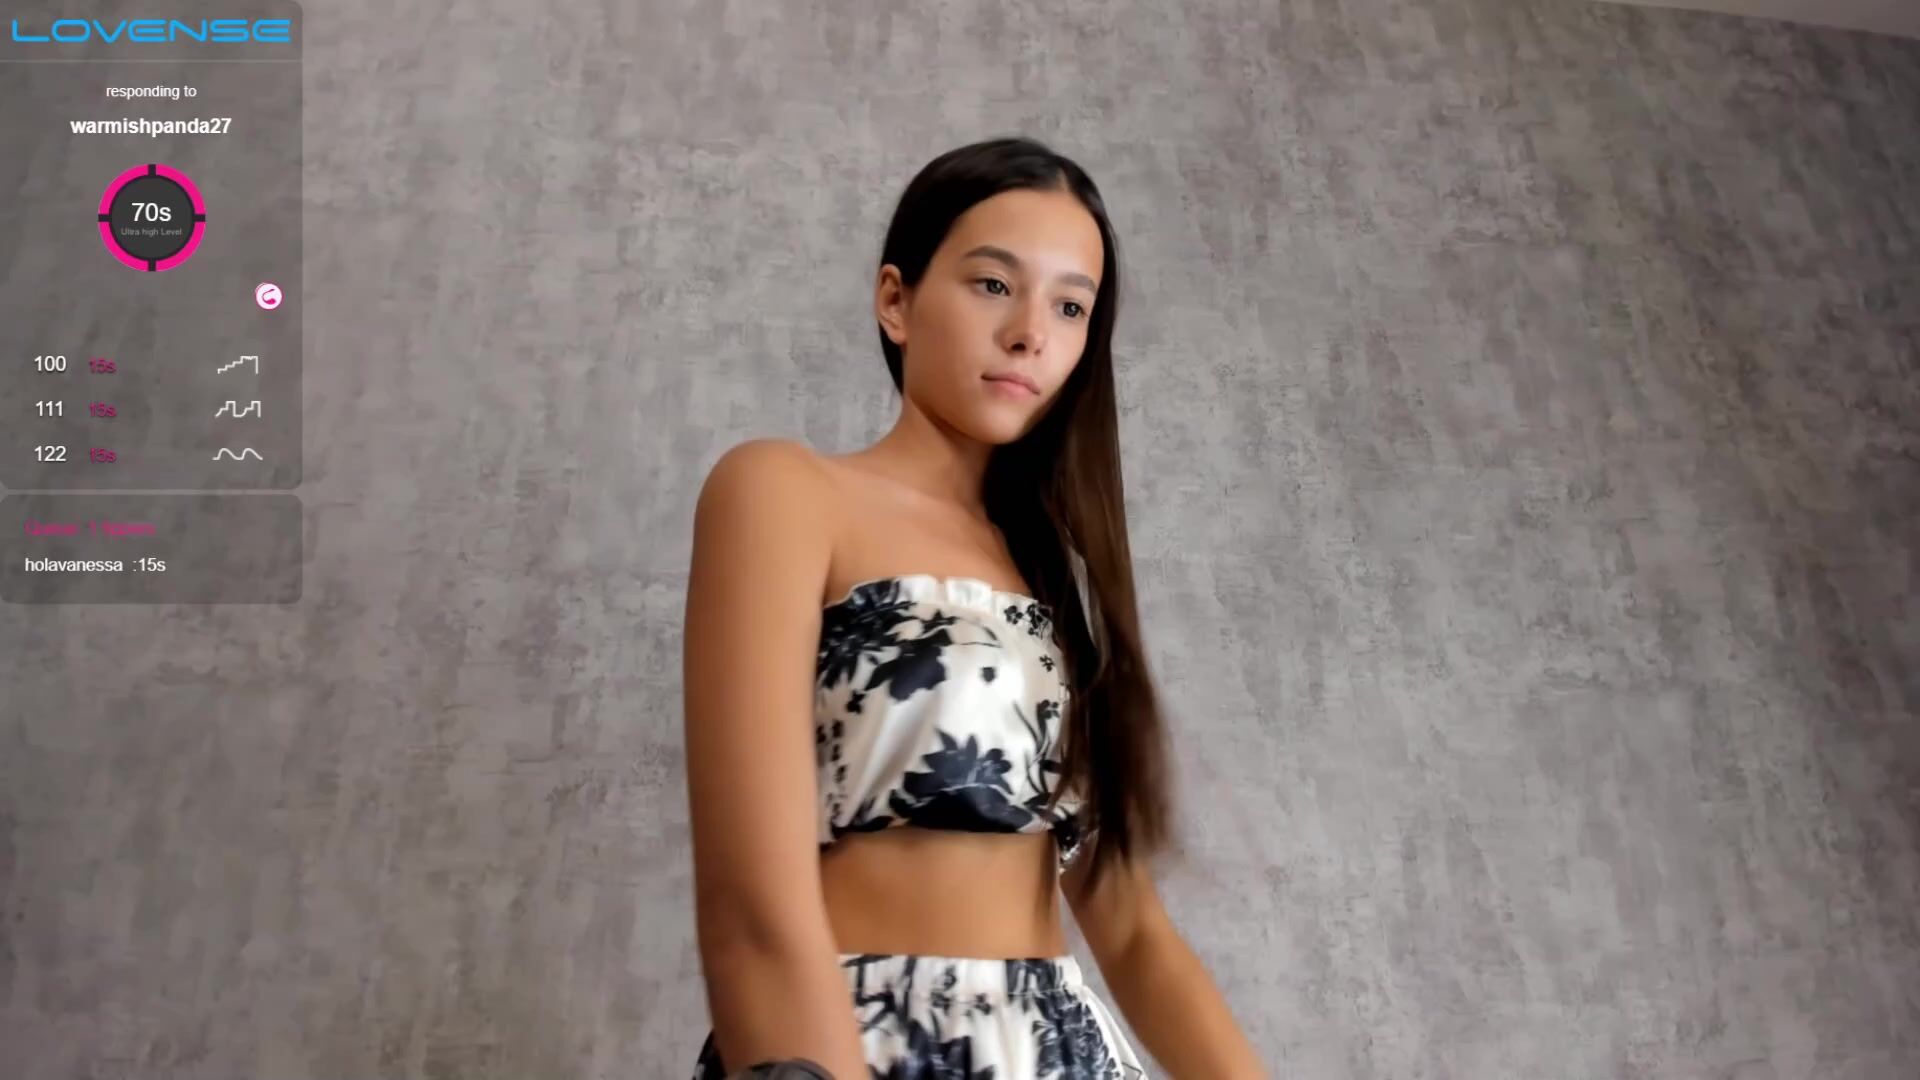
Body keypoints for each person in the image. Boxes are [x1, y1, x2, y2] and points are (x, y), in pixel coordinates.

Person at [681, 135, 1266, 1078]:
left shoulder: (1059, 582)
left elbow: (1131, 928)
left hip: (1062, 1050)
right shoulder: (786, 493)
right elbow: (753, 905)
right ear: (896, 300)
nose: (1031, 332)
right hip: (857, 1043)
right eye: (994, 284)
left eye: (1070, 306)